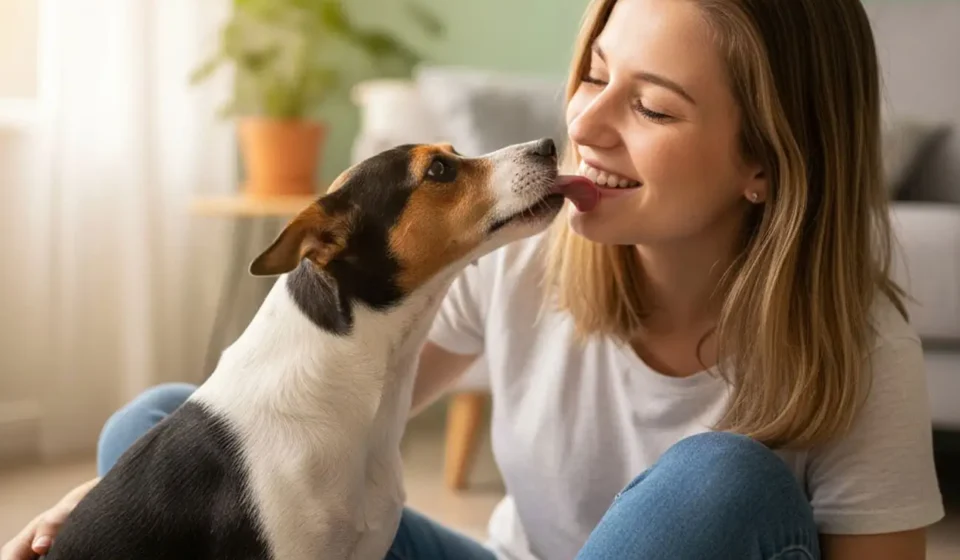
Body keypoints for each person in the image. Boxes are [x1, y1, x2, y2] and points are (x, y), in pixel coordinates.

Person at [3, 0, 946, 558]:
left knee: (718, 482)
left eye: (653, 105)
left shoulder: (859, 348)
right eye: (595, 74)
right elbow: (324, 404)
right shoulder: (522, 245)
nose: (588, 123)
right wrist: (108, 500)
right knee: (168, 426)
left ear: (766, 164)